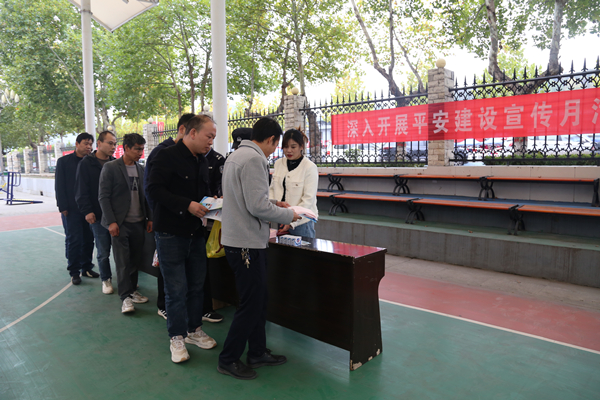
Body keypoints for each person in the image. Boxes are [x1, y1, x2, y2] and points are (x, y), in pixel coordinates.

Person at [218, 117, 300, 380]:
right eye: (277, 145)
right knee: (251, 304)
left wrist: (275, 203)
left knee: (258, 299)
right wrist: (289, 214)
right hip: (246, 243)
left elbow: (246, 198)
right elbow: (256, 206)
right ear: (271, 139)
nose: (275, 150)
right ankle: (228, 359)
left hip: (242, 240)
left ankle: (257, 351)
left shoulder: (236, 155)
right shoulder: (254, 159)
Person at [147, 114, 218, 363]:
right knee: (176, 289)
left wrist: (211, 203)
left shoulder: (202, 160)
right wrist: (186, 205)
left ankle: (193, 330)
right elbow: (154, 189)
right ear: (192, 132)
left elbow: (203, 193)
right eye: (209, 136)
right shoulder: (165, 156)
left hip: (196, 232)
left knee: (196, 285)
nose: (211, 142)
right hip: (170, 233)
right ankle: (176, 337)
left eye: (213, 138)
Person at [144, 113, 195, 320]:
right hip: (166, 223)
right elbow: (152, 189)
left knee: (183, 276)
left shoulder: (195, 156)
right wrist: (156, 216)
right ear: (183, 130)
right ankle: (163, 304)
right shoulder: (162, 153)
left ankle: (190, 321)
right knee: (168, 271)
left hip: (188, 225)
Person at [98, 133, 152, 314]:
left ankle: (132, 290)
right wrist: (112, 222)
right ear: (126, 148)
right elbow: (103, 197)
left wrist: (150, 218)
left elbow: (146, 196)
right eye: (137, 149)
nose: (140, 153)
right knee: (122, 262)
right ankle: (125, 298)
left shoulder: (141, 169)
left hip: (139, 223)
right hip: (120, 224)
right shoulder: (111, 168)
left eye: (142, 149)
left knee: (135, 260)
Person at [75, 130, 117, 294]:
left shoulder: (115, 163)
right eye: (110, 143)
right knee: (103, 251)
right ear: (99, 144)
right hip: (98, 216)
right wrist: (87, 211)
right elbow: (81, 190)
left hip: (116, 215)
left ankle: (126, 279)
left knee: (120, 251)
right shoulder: (86, 164)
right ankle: (106, 279)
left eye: (115, 144)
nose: (113, 147)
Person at [55, 132, 98, 285]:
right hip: (71, 209)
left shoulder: (92, 162)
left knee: (88, 239)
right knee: (74, 240)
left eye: (91, 144)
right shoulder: (64, 162)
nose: (89, 147)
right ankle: (74, 271)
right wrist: (63, 206)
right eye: (86, 143)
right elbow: (59, 185)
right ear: (77, 144)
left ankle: (86, 267)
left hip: (88, 209)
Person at [269, 129, 319, 238]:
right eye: (285, 147)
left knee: (303, 248)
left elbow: (308, 199)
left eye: (293, 147)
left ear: (301, 147)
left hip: (301, 222)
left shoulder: (309, 167)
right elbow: (272, 189)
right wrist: (271, 212)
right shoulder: (278, 163)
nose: (289, 151)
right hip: (280, 218)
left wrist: (292, 221)